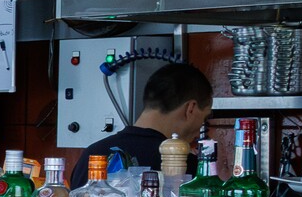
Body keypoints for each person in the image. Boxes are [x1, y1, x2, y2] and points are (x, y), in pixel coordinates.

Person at [83, 60, 212, 178]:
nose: (200, 131)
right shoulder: (186, 166)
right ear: (191, 109)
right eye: (205, 117)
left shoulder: (92, 155)